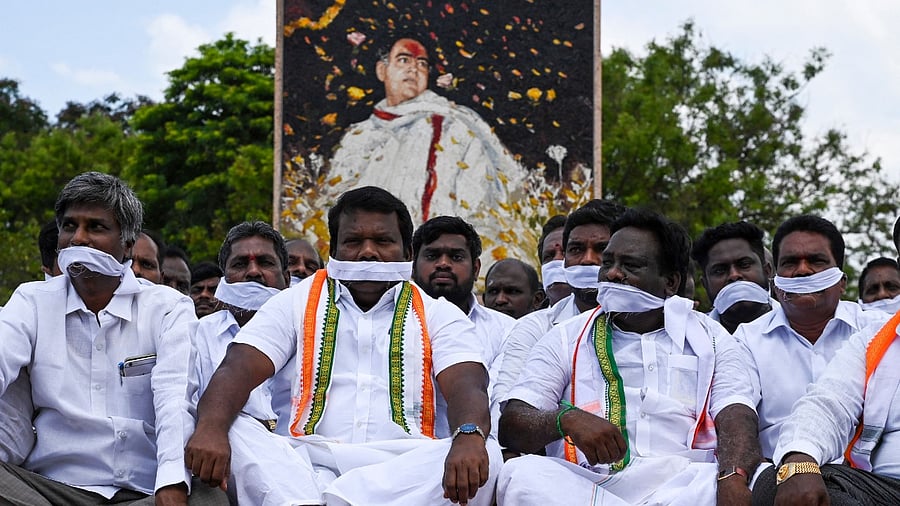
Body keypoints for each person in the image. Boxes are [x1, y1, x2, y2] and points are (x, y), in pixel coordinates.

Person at [185, 186, 501, 505]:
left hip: (405, 472)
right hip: (306, 466)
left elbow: (467, 381)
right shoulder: (295, 301)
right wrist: (210, 427)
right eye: (353, 242)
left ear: (407, 253)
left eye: (382, 241)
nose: (367, 252)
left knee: (485, 447)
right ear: (333, 251)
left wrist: (469, 434)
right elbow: (239, 365)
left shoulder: (436, 312)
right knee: (234, 425)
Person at [497, 208, 760, 505]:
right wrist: (564, 419)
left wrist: (732, 476)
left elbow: (736, 413)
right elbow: (513, 423)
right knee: (522, 475)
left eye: (630, 265)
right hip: (588, 484)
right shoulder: (565, 336)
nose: (612, 273)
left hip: (685, 483)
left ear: (671, 282)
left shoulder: (711, 337)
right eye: (608, 262)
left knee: (756, 479)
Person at [0, 171, 223, 504]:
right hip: (51, 490)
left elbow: (175, 397)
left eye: (96, 227)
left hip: (144, 491)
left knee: (211, 498)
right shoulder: (32, 301)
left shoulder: (167, 307)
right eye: (69, 226)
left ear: (128, 244)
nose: (78, 239)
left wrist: (172, 484)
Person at [733, 215, 890, 468]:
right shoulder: (746, 341)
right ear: (775, 282)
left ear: (841, 282)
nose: (803, 270)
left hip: (870, 481)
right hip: (777, 480)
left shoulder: (879, 331)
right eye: (790, 262)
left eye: (816, 261)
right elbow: (737, 411)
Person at [328, 35, 526, 232]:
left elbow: (477, 200)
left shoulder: (453, 126)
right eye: (404, 60)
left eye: (421, 64)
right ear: (382, 70)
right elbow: (335, 200)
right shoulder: (359, 134)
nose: (413, 69)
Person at [189, 221, 290, 504]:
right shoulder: (197, 335)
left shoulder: (315, 333)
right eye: (240, 264)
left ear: (287, 276)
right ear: (225, 279)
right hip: (229, 474)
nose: (253, 272)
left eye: (265, 262)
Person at [492, 200, 625, 404]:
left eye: (601, 249)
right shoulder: (536, 328)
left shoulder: (652, 321)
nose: (588, 260)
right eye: (576, 249)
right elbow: (506, 408)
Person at [411, 215, 516, 438]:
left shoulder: (507, 330)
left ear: (476, 268)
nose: (443, 263)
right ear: (413, 265)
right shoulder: (390, 323)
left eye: (456, 257)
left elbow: (499, 401)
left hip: (481, 453)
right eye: (432, 255)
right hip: (402, 453)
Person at [691, 221, 775, 333]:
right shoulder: (690, 338)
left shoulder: (801, 326)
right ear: (705, 284)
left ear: (767, 271)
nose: (734, 275)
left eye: (744, 265)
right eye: (720, 270)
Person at [537, 215, 572, 306]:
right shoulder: (529, 320)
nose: (556, 259)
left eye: (565, 253)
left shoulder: (610, 317)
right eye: (548, 256)